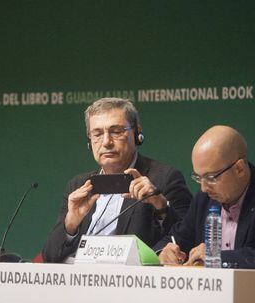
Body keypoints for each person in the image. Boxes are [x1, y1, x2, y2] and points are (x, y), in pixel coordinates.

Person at [42, 98, 192, 263]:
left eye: (116, 131)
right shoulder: (78, 185)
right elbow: (50, 256)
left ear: (137, 133)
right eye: (97, 134)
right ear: (89, 141)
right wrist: (70, 225)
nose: (106, 142)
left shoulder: (164, 178)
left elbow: (187, 236)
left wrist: (162, 207)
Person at [155, 125, 255, 268]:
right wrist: (165, 252)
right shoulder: (204, 200)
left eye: (211, 177)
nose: (204, 188)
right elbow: (177, 238)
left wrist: (217, 257)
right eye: (198, 178)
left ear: (239, 169)